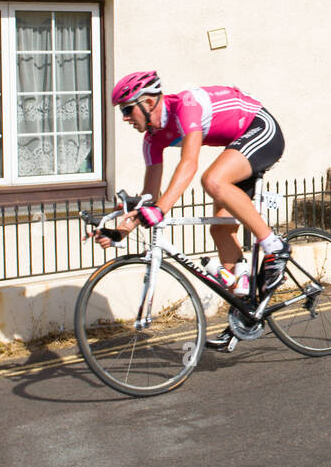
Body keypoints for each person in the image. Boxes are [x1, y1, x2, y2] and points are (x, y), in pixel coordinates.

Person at [96, 70, 291, 350]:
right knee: (220, 229)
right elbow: (151, 198)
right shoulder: (152, 139)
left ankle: (275, 246)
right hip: (238, 146)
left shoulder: (186, 106)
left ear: (148, 103)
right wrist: (121, 230)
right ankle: (245, 315)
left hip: (261, 129)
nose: (125, 118)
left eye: (127, 110)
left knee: (213, 179)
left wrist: (161, 210)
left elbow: (189, 163)